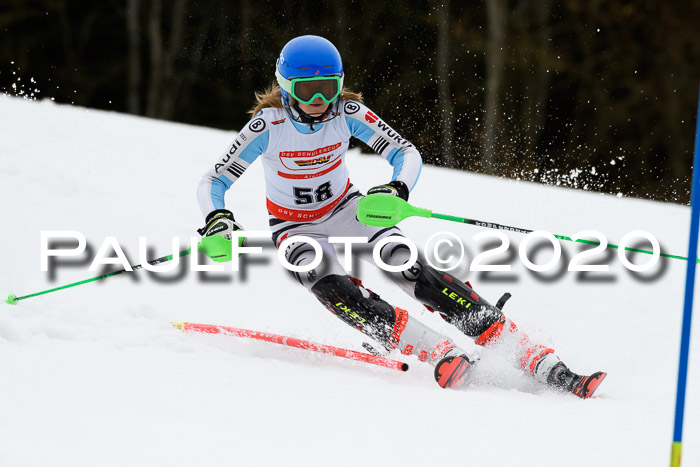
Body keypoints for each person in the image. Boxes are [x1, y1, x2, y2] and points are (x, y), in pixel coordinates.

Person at [196, 35, 606, 397]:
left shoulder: (348, 112)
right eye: (308, 90)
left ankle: (532, 356)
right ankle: (437, 351)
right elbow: (214, 180)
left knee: (407, 267)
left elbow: (405, 152)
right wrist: (218, 220)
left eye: (328, 88)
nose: (320, 101)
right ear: (287, 89)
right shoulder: (269, 126)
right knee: (329, 286)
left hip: (348, 210)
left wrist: (397, 188)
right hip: (293, 226)